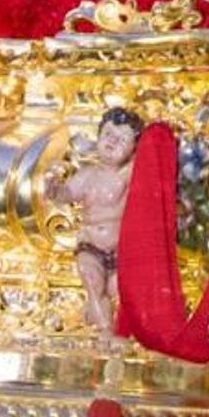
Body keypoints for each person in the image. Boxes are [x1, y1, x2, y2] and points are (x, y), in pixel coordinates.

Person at [47, 107, 143, 339]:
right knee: (91, 281)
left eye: (122, 140)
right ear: (98, 135)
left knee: (118, 290)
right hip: (90, 243)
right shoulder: (87, 175)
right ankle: (105, 332)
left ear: (133, 149)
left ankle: (118, 329)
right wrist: (52, 186)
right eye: (108, 134)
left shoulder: (129, 173)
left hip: (121, 248)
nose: (112, 142)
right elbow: (66, 193)